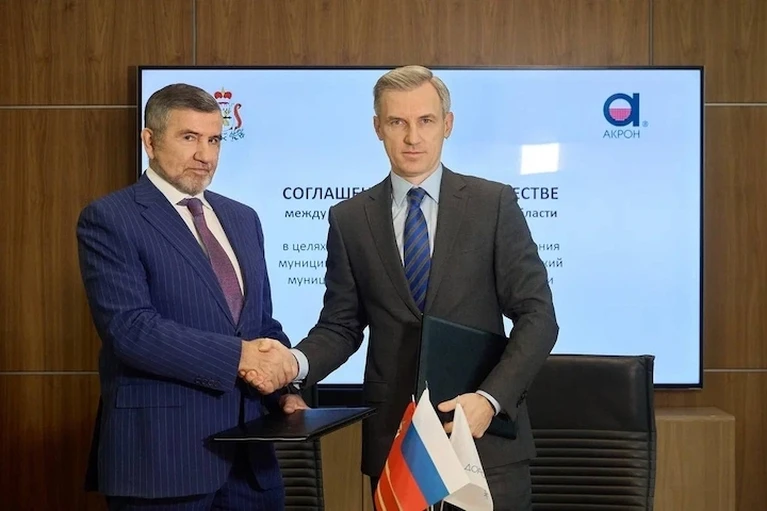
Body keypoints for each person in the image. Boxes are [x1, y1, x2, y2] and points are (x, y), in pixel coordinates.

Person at [247, 65, 559, 510]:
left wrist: (490, 400)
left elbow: (538, 317)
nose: (412, 137)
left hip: (483, 439)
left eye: (425, 120)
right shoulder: (350, 219)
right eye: (397, 122)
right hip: (397, 444)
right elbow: (340, 326)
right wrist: (292, 364)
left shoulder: (493, 204)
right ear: (378, 127)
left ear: (447, 124)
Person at [77, 83, 306, 511]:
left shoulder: (243, 218)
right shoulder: (110, 218)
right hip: (162, 462)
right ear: (149, 141)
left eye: (214, 139)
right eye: (189, 137)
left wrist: (282, 387)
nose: (205, 154)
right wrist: (241, 356)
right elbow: (131, 330)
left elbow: (261, 323)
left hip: (251, 465)